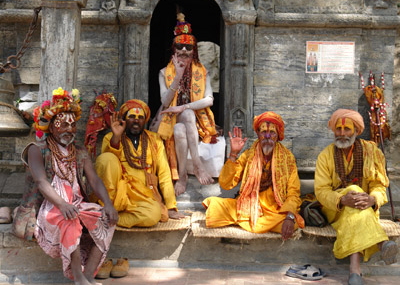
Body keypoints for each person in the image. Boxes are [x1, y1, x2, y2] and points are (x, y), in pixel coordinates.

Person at [16, 87, 118, 285]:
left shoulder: (79, 151)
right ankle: (78, 278)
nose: (69, 130)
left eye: (72, 126)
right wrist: (62, 204)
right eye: (63, 125)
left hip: (76, 205)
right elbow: (41, 182)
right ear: (52, 127)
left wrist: (108, 203)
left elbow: (95, 180)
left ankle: (88, 275)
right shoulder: (36, 150)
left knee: (106, 219)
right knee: (70, 218)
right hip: (49, 208)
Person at [314, 109, 398, 285]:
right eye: (338, 129)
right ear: (334, 131)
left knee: (355, 210)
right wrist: (341, 199)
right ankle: (382, 243)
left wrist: (373, 199)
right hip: (334, 208)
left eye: (347, 129)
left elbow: (379, 186)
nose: (342, 134)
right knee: (352, 190)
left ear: (356, 131)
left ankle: (355, 271)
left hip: (365, 207)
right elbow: (321, 191)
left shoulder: (372, 152)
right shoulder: (325, 156)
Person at [203, 112, 304, 239]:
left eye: (272, 132)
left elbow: (293, 191)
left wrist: (289, 216)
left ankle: (249, 222)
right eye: (263, 132)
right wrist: (233, 154)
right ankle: (254, 221)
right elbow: (226, 184)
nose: (267, 136)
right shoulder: (249, 155)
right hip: (248, 206)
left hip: (275, 209)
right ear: (258, 135)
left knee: (292, 222)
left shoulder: (288, 158)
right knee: (216, 205)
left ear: (278, 135)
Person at [95, 99, 184, 228]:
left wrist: (171, 206)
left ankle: (110, 218)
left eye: (140, 117)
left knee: (153, 215)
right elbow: (106, 168)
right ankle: (109, 208)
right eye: (132, 116)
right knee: (106, 158)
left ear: (145, 120)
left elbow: (164, 173)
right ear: (124, 119)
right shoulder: (110, 138)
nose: (136, 120)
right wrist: (116, 138)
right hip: (117, 194)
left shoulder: (155, 140)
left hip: (143, 195)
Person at [156, 12, 218, 196]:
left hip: (194, 119)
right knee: (177, 129)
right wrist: (178, 76)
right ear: (174, 50)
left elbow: (209, 100)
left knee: (185, 121)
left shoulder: (202, 71)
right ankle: (187, 172)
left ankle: (188, 172)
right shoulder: (163, 72)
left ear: (194, 50)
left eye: (188, 47)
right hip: (169, 119)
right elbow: (165, 102)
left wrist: (183, 107)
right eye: (180, 47)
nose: (184, 50)